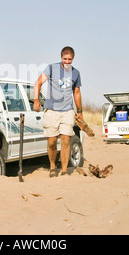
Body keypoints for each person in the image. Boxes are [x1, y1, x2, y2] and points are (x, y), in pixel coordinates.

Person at [33, 46, 83, 177]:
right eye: (65, 59)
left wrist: (80, 110)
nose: (67, 61)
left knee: (66, 140)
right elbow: (38, 83)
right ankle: (53, 165)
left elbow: (76, 92)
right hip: (52, 110)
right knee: (52, 141)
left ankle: (65, 169)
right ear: (61, 58)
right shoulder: (50, 68)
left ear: (73, 59)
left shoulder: (76, 73)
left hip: (68, 111)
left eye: (69, 59)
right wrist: (36, 100)